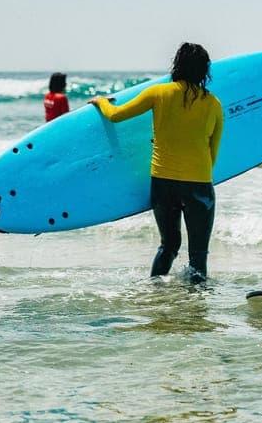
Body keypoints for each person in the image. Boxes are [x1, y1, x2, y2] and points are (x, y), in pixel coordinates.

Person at [90, 43, 224, 282]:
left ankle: (155, 294)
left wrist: (101, 102)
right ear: (204, 70)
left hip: (163, 184)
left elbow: (116, 115)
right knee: (198, 257)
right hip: (198, 185)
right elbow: (212, 151)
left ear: (177, 65)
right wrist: (199, 176)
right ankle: (196, 310)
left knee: (169, 245)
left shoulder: (158, 93)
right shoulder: (213, 104)